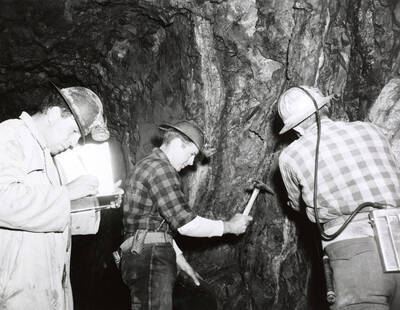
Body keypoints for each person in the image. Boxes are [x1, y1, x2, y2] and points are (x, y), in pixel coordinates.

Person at [277, 85, 400, 309]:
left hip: (356, 254)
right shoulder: (369, 129)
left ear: (296, 128)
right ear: (325, 107)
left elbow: (296, 204)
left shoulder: (291, 155)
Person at [0, 82, 114, 309]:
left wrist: (97, 203)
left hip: (44, 287)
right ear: (53, 114)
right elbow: (4, 200)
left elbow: (54, 213)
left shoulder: (49, 158)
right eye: (73, 131)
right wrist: (69, 192)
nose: (73, 143)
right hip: (15, 290)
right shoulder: (11, 134)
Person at [121, 120, 253, 310]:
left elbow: (153, 226)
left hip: (141, 252)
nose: (191, 162)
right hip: (150, 255)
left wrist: (180, 261)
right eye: (191, 154)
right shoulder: (160, 168)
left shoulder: (147, 165)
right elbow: (186, 224)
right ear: (176, 144)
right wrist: (230, 226)